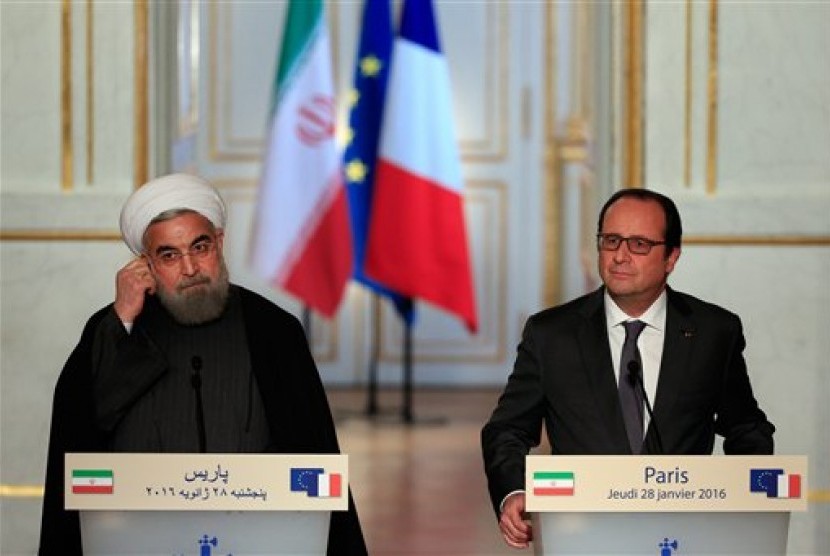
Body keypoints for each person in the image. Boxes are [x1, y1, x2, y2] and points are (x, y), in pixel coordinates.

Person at [39, 173, 367, 555]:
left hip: (258, 534)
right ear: (145, 264)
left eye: (200, 247)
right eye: (169, 255)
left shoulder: (273, 330)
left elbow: (310, 447)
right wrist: (123, 322)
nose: (190, 267)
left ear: (220, 243)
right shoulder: (114, 328)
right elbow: (84, 427)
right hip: (139, 536)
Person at [481, 188, 775, 549]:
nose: (620, 255)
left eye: (638, 244)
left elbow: (746, 426)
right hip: (582, 535)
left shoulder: (714, 332)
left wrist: (747, 499)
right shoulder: (550, 334)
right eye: (611, 240)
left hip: (682, 536)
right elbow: (508, 429)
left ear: (671, 257)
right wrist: (513, 491)